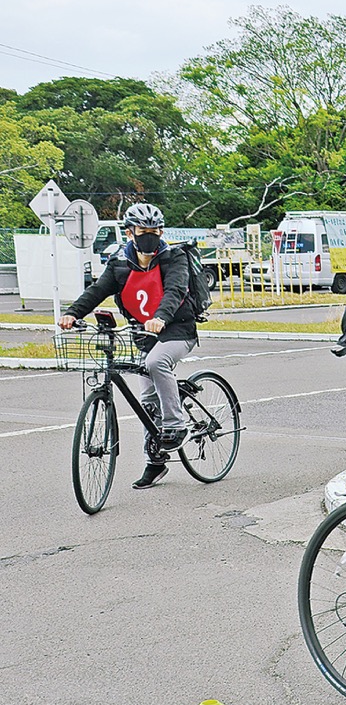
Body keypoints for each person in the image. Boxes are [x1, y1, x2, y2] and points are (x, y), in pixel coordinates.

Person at [57, 203, 198, 490]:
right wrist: (73, 313)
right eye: (143, 231)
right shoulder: (120, 263)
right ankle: (155, 463)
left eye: (155, 231)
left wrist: (160, 317)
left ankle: (176, 424)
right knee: (147, 401)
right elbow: (97, 290)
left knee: (156, 363)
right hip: (143, 334)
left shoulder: (174, 257)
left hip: (177, 330)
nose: (150, 236)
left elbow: (175, 290)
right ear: (130, 232)